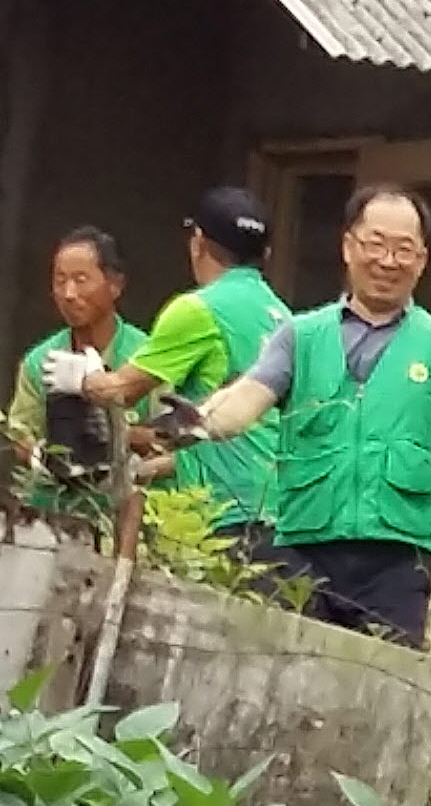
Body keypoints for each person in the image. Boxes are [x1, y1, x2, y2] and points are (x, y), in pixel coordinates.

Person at [192, 185, 431, 645]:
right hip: (302, 551)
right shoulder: (300, 336)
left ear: (422, 261)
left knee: (388, 691)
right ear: (349, 247)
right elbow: (246, 399)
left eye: (404, 250)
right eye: (376, 244)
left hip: (396, 563)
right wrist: (194, 422)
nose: (389, 261)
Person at [76, 187, 289, 541]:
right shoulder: (283, 316)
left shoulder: (198, 309)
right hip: (276, 508)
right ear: (264, 253)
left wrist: (83, 378)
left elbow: (120, 392)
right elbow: (235, 428)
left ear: (198, 242)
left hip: (225, 514)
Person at [9, 229, 142, 506]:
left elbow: (171, 443)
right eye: (60, 281)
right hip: (53, 512)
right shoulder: (40, 360)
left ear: (115, 285)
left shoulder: (146, 355)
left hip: (125, 509)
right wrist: (43, 458)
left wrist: (118, 445)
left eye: (81, 280)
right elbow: (21, 434)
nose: (69, 294)